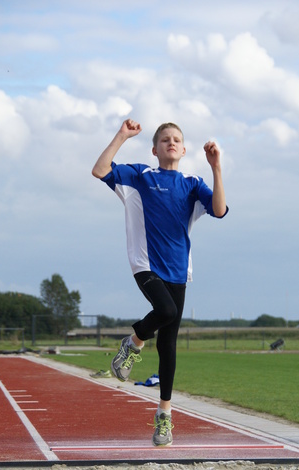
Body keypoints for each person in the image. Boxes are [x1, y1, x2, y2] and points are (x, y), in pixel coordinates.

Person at [92, 118, 228, 446]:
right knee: (165, 310)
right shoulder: (140, 176)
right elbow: (100, 170)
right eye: (164, 139)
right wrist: (122, 135)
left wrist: (216, 168)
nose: (171, 142)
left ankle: (164, 416)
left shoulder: (193, 183)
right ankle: (134, 341)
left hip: (179, 271)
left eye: (176, 139)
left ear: (183, 149)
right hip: (146, 264)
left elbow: (220, 211)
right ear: (155, 149)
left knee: (168, 346)